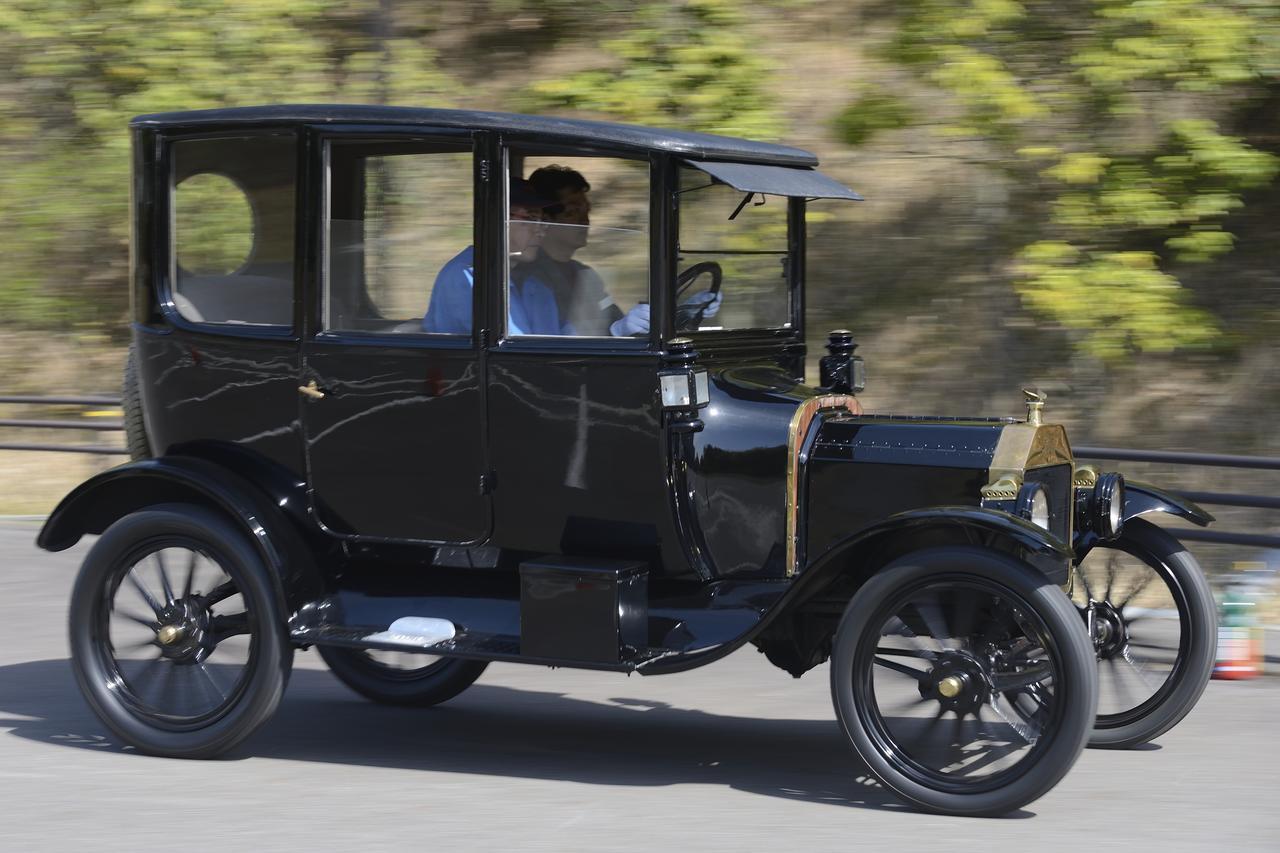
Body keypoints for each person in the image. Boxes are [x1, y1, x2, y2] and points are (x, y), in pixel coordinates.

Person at [526, 165, 720, 337]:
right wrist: (616, 331)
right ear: (545, 219)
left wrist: (686, 311)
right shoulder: (530, 278)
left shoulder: (585, 275)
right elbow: (553, 343)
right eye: (572, 212)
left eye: (586, 211)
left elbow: (615, 321)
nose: (585, 221)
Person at [423, 178, 563, 335]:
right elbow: (505, 354)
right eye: (531, 218)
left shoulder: (535, 283)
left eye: (542, 221)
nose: (540, 231)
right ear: (500, 220)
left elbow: (555, 342)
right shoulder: (468, 277)